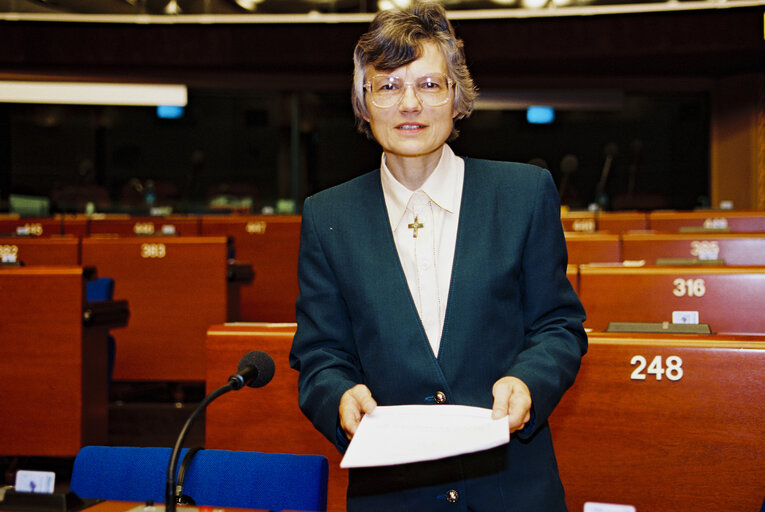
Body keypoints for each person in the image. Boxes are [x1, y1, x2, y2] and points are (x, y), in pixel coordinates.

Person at [289, 2, 587, 510]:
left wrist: (528, 382)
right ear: (363, 102)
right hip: (392, 493)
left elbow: (558, 326)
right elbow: (319, 355)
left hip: (511, 487)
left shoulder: (524, 194)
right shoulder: (326, 215)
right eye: (388, 86)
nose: (409, 104)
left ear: (457, 97)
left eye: (429, 85)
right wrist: (339, 394)